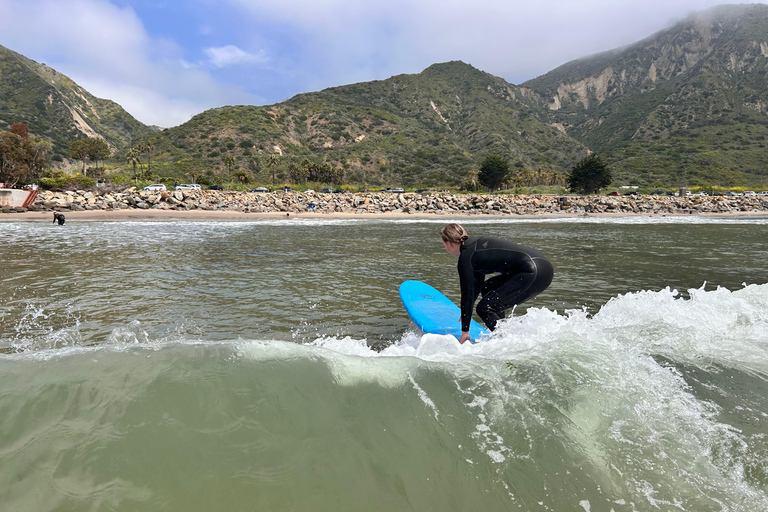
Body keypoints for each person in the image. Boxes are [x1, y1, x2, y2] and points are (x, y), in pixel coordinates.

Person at [440, 223, 553, 344]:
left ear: (449, 243)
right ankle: (504, 332)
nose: (446, 249)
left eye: (444, 245)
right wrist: (466, 313)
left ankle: (507, 343)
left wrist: (465, 332)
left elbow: (467, 292)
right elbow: (476, 285)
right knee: (488, 288)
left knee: (485, 308)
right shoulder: (474, 249)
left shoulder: (466, 257)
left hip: (532, 271)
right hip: (543, 268)